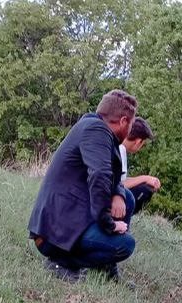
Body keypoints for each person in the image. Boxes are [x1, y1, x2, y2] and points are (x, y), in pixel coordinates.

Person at [28, 89, 137, 282]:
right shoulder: (97, 131)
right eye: (131, 124)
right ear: (122, 121)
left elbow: (112, 175)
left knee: (127, 198)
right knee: (125, 244)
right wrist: (109, 225)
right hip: (53, 232)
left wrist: (118, 193)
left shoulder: (95, 128)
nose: (130, 131)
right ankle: (60, 263)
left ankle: (106, 269)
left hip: (67, 220)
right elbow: (100, 175)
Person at [114, 117, 160, 226]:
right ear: (138, 142)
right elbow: (120, 184)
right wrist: (146, 178)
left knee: (144, 186)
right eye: (143, 144)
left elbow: (121, 179)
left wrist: (147, 179)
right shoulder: (120, 149)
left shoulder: (119, 146)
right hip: (108, 198)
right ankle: (121, 222)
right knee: (145, 190)